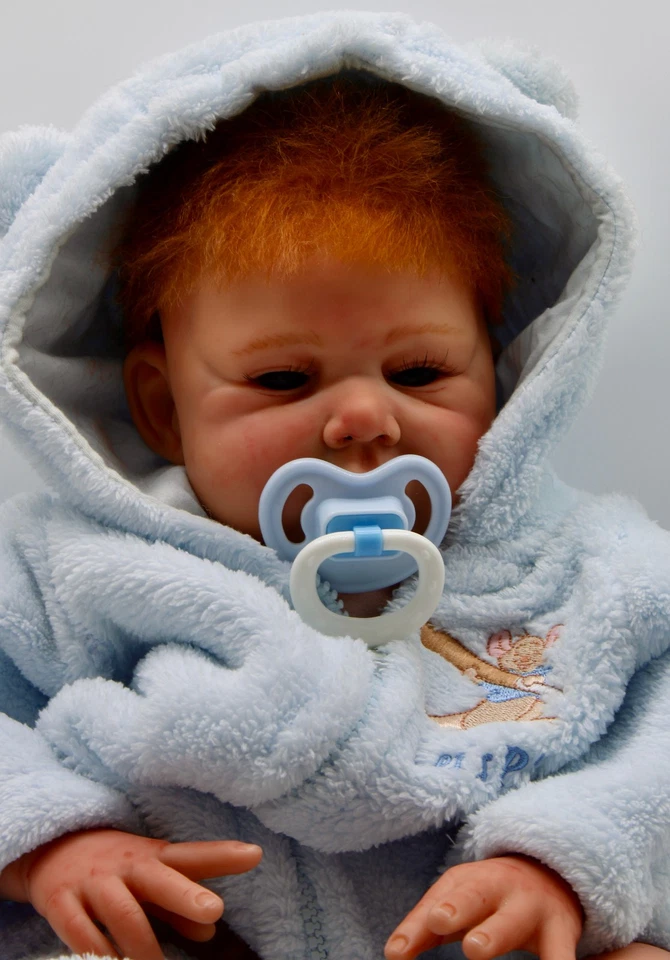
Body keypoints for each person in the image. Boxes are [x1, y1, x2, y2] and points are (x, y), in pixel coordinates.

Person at [1, 11, 670, 960]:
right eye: (283, 379)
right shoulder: (65, 567)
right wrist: (52, 841)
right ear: (160, 405)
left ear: (508, 376)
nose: (364, 419)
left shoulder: (593, 567)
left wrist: (565, 860)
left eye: (421, 372)